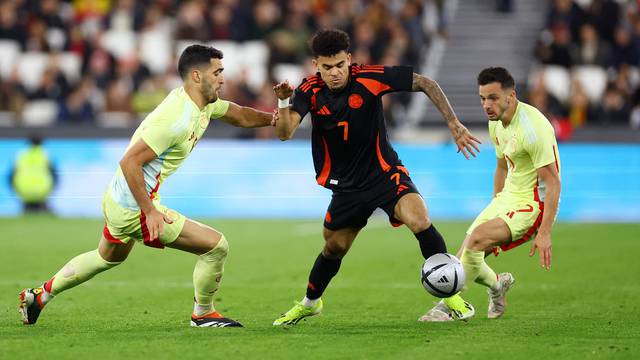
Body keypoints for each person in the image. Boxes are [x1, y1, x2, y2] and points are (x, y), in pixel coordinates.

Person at [19, 45, 276, 328]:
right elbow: (130, 161)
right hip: (134, 206)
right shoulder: (177, 119)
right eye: (217, 72)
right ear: (196, 76)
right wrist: (149, 211)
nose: (222, 79)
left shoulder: (202, 103)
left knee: (106, 257)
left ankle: (39, 296)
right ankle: (202, 314)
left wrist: (272, 118)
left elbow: (239, 115)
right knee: (216, 246)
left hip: (117, 198)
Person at [271, 29, 481, 326]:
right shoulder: (308, 91)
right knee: (334, 248)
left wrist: (454, 123)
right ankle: (309, 304)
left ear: (349, 60)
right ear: (316, 64)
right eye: (327, 67)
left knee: (419, 220)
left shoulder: (369, 77)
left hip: (384, 174)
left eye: (340, 65)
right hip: (346, 187)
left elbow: (425, 82)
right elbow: (284, 133)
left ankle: (451, 297)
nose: (334, 73)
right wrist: (283, 102)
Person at [420, 67, 561, 322]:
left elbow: (553, 183)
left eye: (493, 97)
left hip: (532, 205)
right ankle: (497, 286)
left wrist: (545, 232)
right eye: (482, 98)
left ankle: (447, 308)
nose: (486, 104)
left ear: (511, 96)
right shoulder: (496, 122)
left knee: (475, 240)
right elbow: (501, 167)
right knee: (468, 251)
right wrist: (496, 203)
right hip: (508, 198)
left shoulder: (533, 128)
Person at [10, 136, 57, 213]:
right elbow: (55, 175)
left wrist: (15, 191)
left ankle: (27, 209)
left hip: (23, 190)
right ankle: (43, 208)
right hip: (42, 191)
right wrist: (52, 191)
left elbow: (11, 176)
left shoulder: (21, 155)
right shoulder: (45, 154)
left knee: (28, 207)